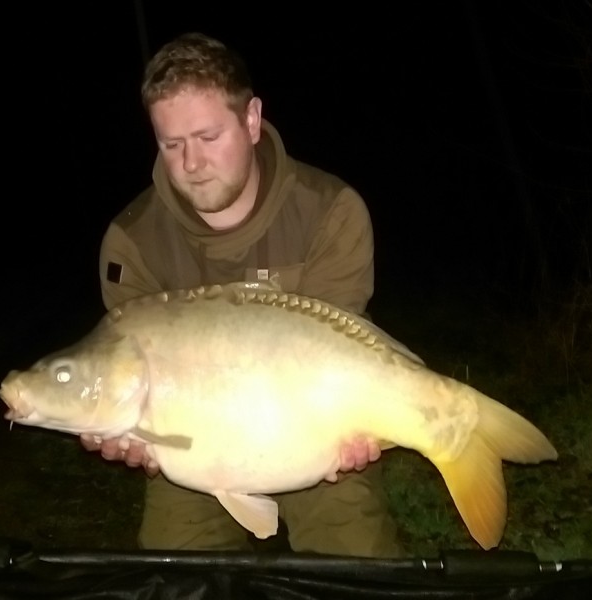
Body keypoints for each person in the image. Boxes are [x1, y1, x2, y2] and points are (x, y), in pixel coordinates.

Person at [80, 32, 402, 558]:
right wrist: (128, 434)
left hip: (311, 435)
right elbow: (127, 381)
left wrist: (357, 427)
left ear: (251, 120)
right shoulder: (131, 240)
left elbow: (343, 349)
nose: (191, 163)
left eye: (208, 136)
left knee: (359, 565)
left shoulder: (330, 209)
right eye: (171, 144)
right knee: (175, 574)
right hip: (190, 451)